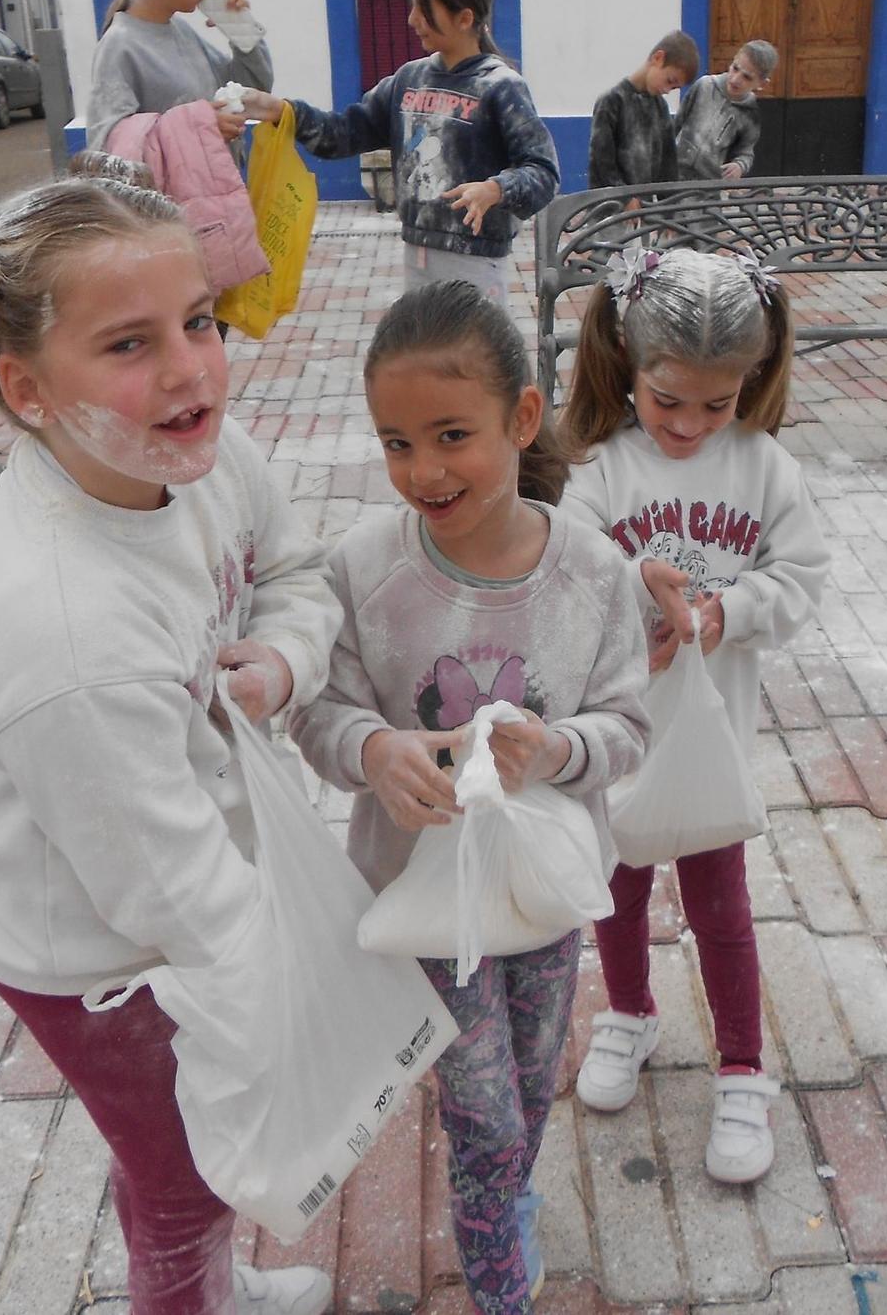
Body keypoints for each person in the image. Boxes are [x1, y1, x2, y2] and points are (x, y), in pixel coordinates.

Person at [0, 170, 342, 1315]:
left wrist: (282, 658)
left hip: (170, 879)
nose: (191, 369)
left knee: (172, 1153)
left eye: (197, 320)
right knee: (187, 1178)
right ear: (26, 388)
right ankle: (194, 1287)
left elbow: (296, 570)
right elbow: (173, 894)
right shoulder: (64, 631)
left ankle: (213, 1278)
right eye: (128, 344)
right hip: (98, 961)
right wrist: (302, 997)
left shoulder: (192, 455)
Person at [290, 281, 649, 1315]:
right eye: (396, 443)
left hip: (544, 890)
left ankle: (509, 1195)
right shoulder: (362, 568)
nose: (424, 471)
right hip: (422, 896)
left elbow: (629, 727)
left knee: (531, 1077)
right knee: (481, 1104)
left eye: (453, 436)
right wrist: (374, 751)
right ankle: (497, 1280)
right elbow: (320, 713)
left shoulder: (593, 573)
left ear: (522, 419)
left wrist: (560, 748)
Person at [556, 246, 828, 1184]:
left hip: (713, 739)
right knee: (617, 884)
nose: (687, 424)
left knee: (720, 905)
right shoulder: (601, 468)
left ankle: (743, 1067)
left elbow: (802, 578)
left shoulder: (764, 467)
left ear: (751, 380)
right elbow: (566, 560)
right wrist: (634, 585)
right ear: (626, 364)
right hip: (619, 732)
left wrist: (727, 612)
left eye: (716, 404)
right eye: (666, 399)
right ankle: (628, 1012)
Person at [242, 0, 558, 308]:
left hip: (476, 263)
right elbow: (343, 133)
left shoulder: (500, 87)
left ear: (464, 18)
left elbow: (544, 172)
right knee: (423, 343)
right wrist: (283, 111)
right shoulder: (408, 79)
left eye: (424, 9)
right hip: (417, 254)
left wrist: (495, 189)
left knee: (471, 346)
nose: (412, 19)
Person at [87, 0, 272, 155]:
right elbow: (110, 144)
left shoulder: (180, 31)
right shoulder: (119, 46)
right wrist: (199, 130)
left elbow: (250, 91)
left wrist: (241, 29)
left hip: (216, 179)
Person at [588, 31, 698, 193]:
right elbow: (601, 164)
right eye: (669, 81)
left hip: (646, 205)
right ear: (658, 58)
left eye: (674, 88)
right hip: (610, 203)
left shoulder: (661, 108)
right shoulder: (612, 102)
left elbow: (668, 170)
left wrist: (669, 203)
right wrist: (625, 196)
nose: (667, 90)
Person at [674, 41, 775, 182]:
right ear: (732, 62)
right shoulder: (704, 86)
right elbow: (677, 123)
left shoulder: (750, 114)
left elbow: (745, 152)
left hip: (708, 185)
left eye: (747, 77)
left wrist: (739, 165)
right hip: (675, 173)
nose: (736, 79)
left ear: (762, 84)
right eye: (735, 68)